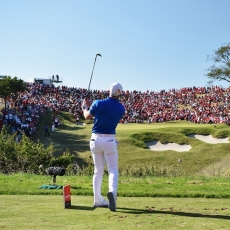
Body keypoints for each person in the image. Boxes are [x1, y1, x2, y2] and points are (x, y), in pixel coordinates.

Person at [82, 82, 125, 212]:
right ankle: (112, 193)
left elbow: (87, 117)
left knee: (98, 170)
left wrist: (84, 107)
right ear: (120, 93)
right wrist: (92, 107)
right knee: (112, 170)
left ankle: (97, 200)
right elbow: (105, 113)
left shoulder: (97, 103)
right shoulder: (121, 108)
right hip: (109, 140)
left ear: (109, 91)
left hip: (95, 140)